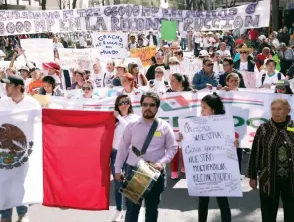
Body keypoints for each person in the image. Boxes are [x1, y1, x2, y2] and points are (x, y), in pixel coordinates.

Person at [115, 92, 178, 222]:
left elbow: (173, 148)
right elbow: (122, 147)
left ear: (157, 108)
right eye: (145, 104)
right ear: (141, 106)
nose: (148, 108)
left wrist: (162, 163)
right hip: (133, 171)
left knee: (151, 211)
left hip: (155, 173)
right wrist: (117, 169)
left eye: (152, 105)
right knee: (132, 211)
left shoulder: (164, 126)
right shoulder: (131, 126)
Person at [179, 93, 235, 222]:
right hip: (203, 170)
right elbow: (191, 144)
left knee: (222, 201)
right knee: (203, 201)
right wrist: (184, 139)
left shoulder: (224, 125)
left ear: (213, 110)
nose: (201, 111)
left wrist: (234, 144)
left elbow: (230, 146)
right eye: (201, 107)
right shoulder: (196, 124)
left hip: (219, 169)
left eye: (204, 107)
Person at [0, 75, 40, 222]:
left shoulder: (32, 103)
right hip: (4, 150)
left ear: (19, 87)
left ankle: (22, 213)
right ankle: (5, 215)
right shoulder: (2, 103)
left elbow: (41, 123)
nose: (6, 88)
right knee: (4, 182)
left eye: (9, 85)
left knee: (20, 182)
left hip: (24, 151)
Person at [246, 98, 294, 222]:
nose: (276, 112)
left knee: (292, 213)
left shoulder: (293, 127)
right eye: (273, 109)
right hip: (268, 179)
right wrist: (252, 176)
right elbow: (256, 152)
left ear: (287, 111)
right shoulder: (263, 129)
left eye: (279, 109)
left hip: (291, 180)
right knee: (268, 213)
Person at [111, 95, 138, 222]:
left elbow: (129, 128)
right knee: (118, 183)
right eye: (120, 102)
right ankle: (119, 211)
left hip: (129, 154)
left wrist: (118, 117)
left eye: (126, 102)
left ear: (129, 104)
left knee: (129, 183)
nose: (123, 105)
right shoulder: (113, 119)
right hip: (115, 154)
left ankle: (131, 211)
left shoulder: (134, 117)